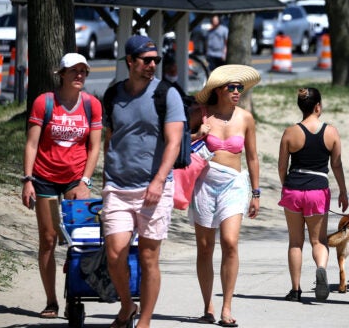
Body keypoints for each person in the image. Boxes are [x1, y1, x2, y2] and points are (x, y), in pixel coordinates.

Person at [102, 35, 186, 328]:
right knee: (114, 254)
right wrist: (104, 178)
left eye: (156, 60)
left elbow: (174, 142)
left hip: (155, 187)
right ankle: (128, 305)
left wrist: (159, 181)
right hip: (117, 186)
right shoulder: (113, 95)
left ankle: (144, 321)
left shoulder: (167, 94)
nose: (152, 65)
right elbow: (110, 140)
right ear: (130, 61)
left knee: (149, 257)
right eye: (146, 60)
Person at [21, 53, 102, 319]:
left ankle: (74, 298)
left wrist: (85, 181)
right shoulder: (44, 102)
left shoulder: (91, 105)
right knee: (48, 238)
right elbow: (32, 144)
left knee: (77, 241)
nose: (80, 76)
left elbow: (94, 146)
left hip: (75, 178)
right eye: (74, 71)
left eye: (84, 72)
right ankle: (51, 301)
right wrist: (28, 180)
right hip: (44, 177)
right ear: (62, 74)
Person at [188, 65, 261, 326]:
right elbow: (178, 142)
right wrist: (198, 134)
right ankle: (208, 304)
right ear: (218, 90)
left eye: (240, 88)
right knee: (205, 248)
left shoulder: (246, 118)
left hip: (234, 184)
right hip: (205, 183)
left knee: (230, 242)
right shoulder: (201, 114)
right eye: (232, 87)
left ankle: (226, 308)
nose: (237, 92)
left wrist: (256, 192)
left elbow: (252, 156)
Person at [278, 87, 348, 303]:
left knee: (295, 242)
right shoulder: (331, 132)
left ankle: (295, 289)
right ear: (318, 106)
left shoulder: (290, 132)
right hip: (318, 190)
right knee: (318, 241)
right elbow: (336, 164)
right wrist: (343, 191)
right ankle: (321, 268)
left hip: (294, 189)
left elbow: (282, 166)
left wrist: (286, 186)